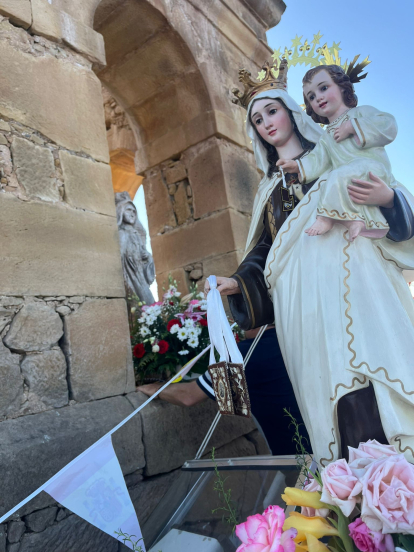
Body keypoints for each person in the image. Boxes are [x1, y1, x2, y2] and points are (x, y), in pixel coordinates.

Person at [206, 59, 414, 465]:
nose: (267, 122)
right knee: (329, 393)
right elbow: (264, 251)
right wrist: (237, 283)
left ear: (291, 109)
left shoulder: (334, 152)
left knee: (371, 376)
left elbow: (390, 194)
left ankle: (401, 480)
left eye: (272, 110)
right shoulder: (268, 190)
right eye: (258, 119)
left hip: (358, 281)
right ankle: (355, 506)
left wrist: (387, 201)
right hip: (301, 303)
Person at [137, 326, 309, 455]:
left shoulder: (249, 352)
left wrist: (157, 388)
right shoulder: (298, 337)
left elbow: (188, 396)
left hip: (302, 464)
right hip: (329, 454)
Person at [278, 65, 396, 241]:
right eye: (311, 96)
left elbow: (388, 124)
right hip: (348, 179)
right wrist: (297, 166)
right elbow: (318, 158)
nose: (318, 97)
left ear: (342, 86)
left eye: (323, 88)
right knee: (335, 177)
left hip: (373, 171)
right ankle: (354, 221)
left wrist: (352, 127)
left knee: (337, 175)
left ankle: (325, 218)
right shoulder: (327, 136)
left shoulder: (361, 112)